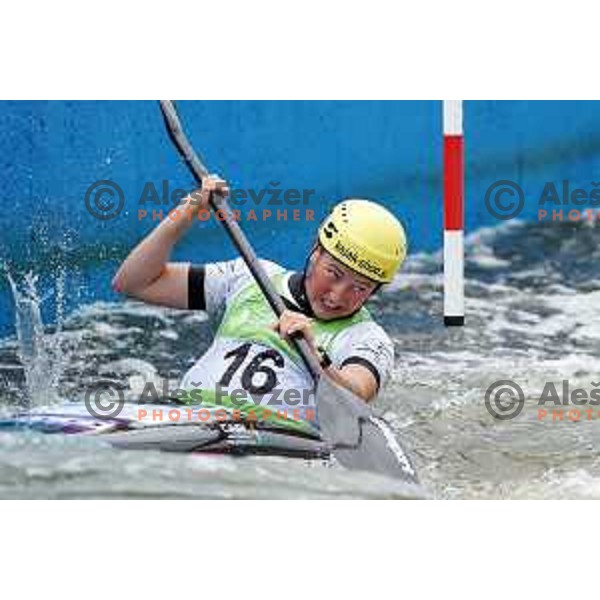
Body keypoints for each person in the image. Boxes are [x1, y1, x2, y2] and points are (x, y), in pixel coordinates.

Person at [112, 176, 407, 434]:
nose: (339, 295)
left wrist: (319, 359)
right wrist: (190, 210)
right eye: (334, 273)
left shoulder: (367, 338)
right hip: (186, 416)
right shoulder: (250, 276)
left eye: (360, 287)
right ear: (315, 251)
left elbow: (356, 395)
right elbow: (134, 282)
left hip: (276, 440)